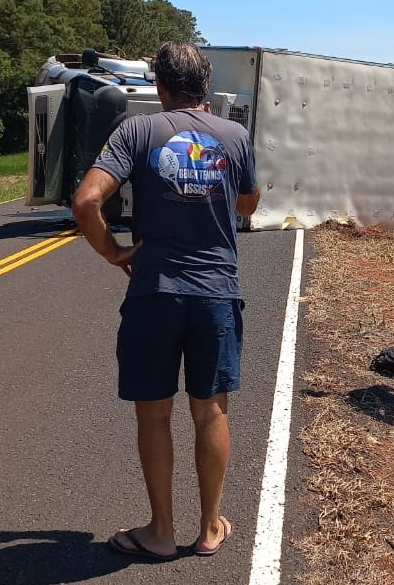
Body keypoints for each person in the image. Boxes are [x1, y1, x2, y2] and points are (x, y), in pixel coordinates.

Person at [72, 40, 260, 561]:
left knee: (153, 415)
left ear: (160, 85)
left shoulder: (136, 131)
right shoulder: (235, 135)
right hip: (217, 291)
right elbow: (248, 200)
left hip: (154, 292)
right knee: (211, 411)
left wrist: (115, 253)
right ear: (205, 85)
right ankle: (208, 528)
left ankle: (159, 531)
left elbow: (86, 201)